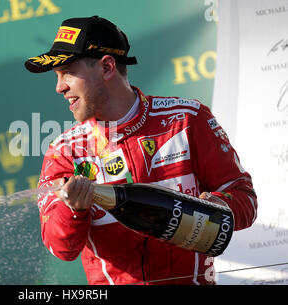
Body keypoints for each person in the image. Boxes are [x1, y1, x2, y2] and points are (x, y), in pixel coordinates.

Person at [24, 16, 257, 285]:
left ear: (107, 67)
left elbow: (245, 200)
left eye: (68, 72)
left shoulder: (187, 120)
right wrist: (73, 209)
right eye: (57, 76)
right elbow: (60, 248)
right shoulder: (65, 152)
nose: (59, 87)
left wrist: (217, 208)